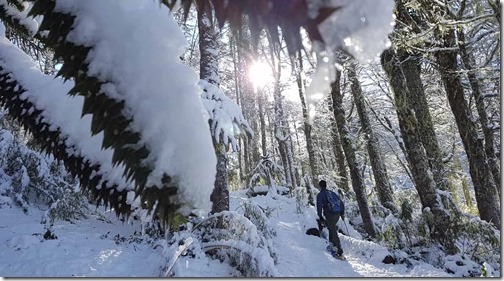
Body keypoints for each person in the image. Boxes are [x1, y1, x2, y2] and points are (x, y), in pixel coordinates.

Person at [316, 180, 345, 258]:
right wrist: (342, 213)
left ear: (319, 186)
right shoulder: (332, 193)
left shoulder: (320, 194)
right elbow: (341, 203)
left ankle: (339, 251)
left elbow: (319, 207)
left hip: (330, 215)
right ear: (326, 185)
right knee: (331, 228)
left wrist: (320, 216)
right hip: (337, 214)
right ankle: (332, 244)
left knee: (333, 230)